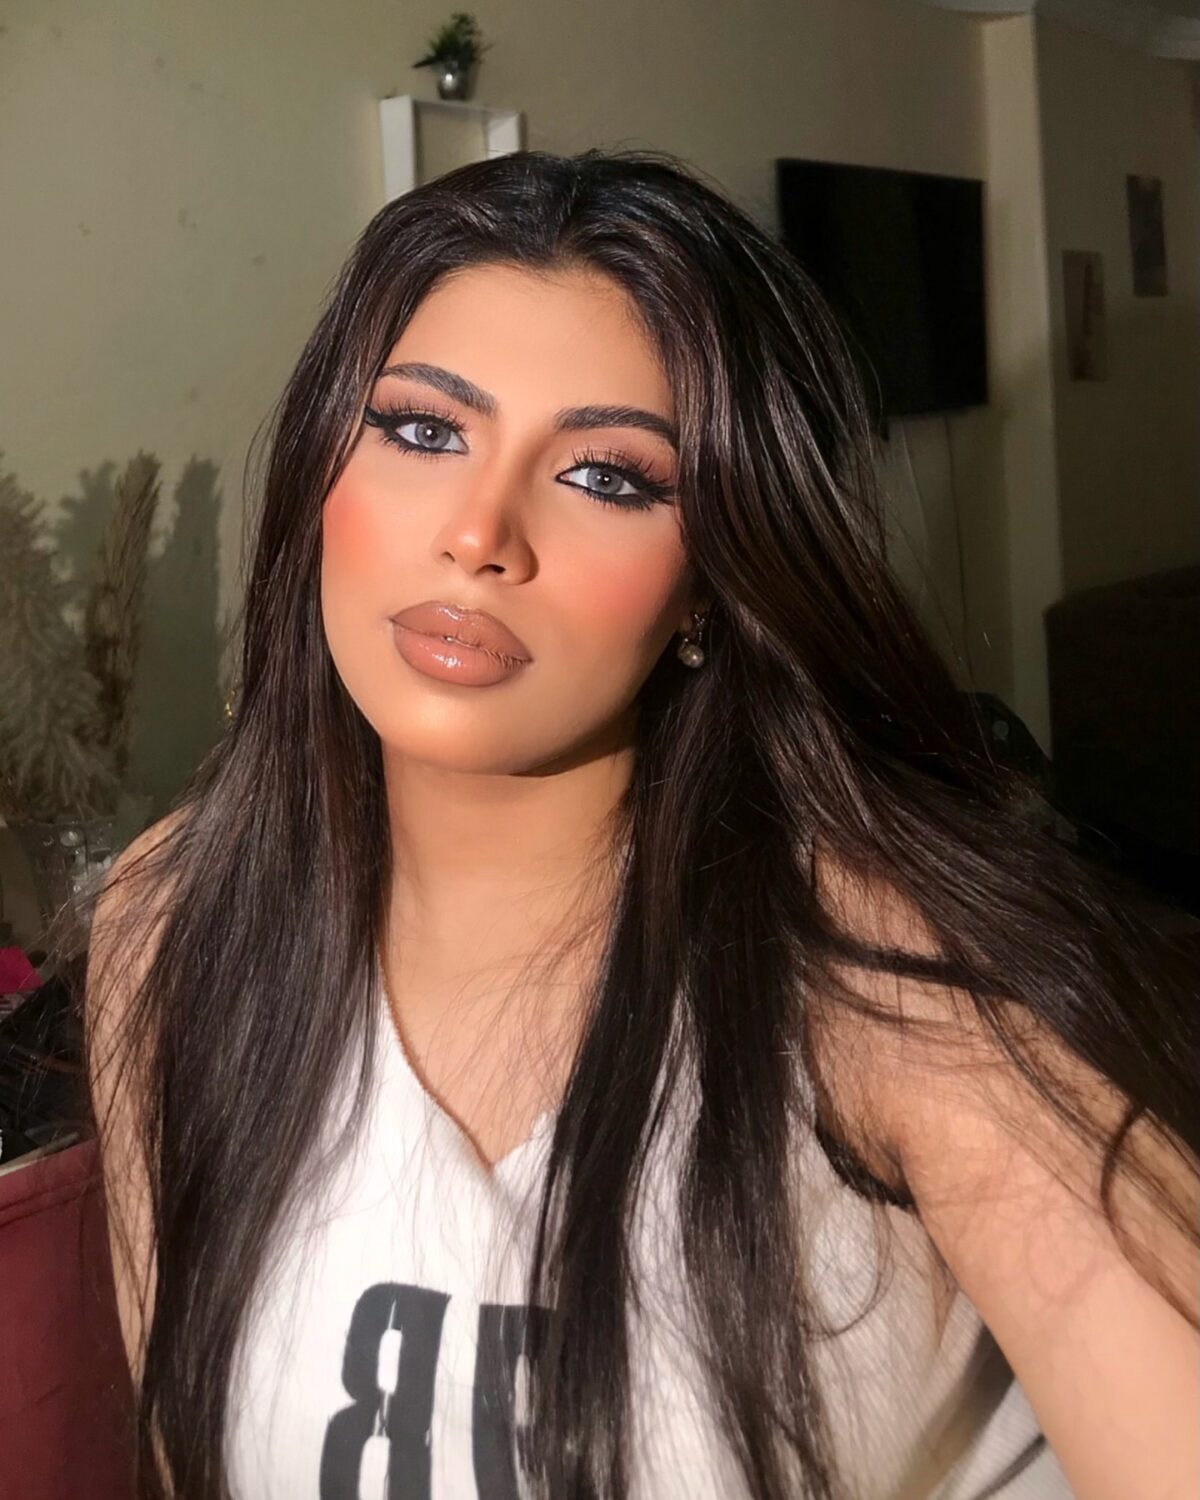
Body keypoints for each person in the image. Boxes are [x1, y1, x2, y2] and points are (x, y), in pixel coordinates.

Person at [79, 147, 1198, 1500]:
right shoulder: (172, 925)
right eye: (424, 432)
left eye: (608, 476)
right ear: (323, 469)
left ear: (712, 585)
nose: (480, 534)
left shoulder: (890, 982)